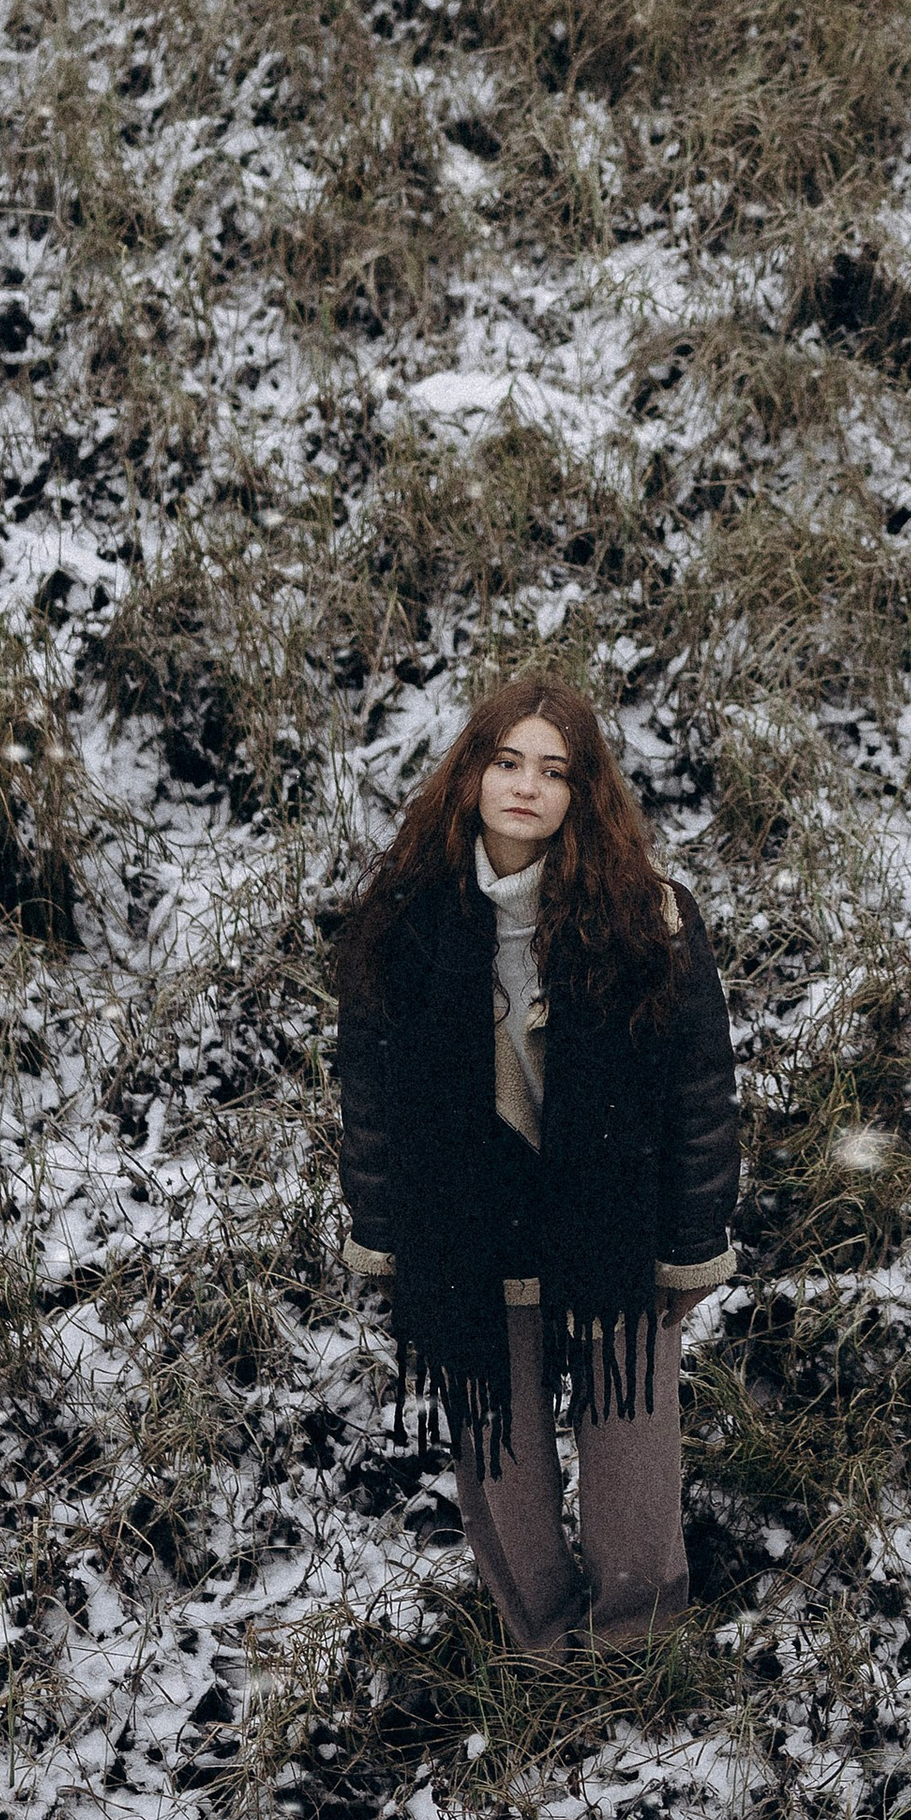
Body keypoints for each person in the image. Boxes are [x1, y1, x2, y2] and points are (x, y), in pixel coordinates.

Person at [333, 675, 737, 1656]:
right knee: (500, 1445)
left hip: (612, 1219)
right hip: (472, 1225)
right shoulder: (399, 925)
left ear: (581, 792)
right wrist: (385, 1242)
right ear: (470, 773)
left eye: (554, 771)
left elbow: (699, 1095)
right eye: (506, 761)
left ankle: (638, 1644)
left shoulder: (650, 918)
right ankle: (547, 1642)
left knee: (630, 1435)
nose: (526, 786)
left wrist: (690, 1249)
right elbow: (371, 1104)